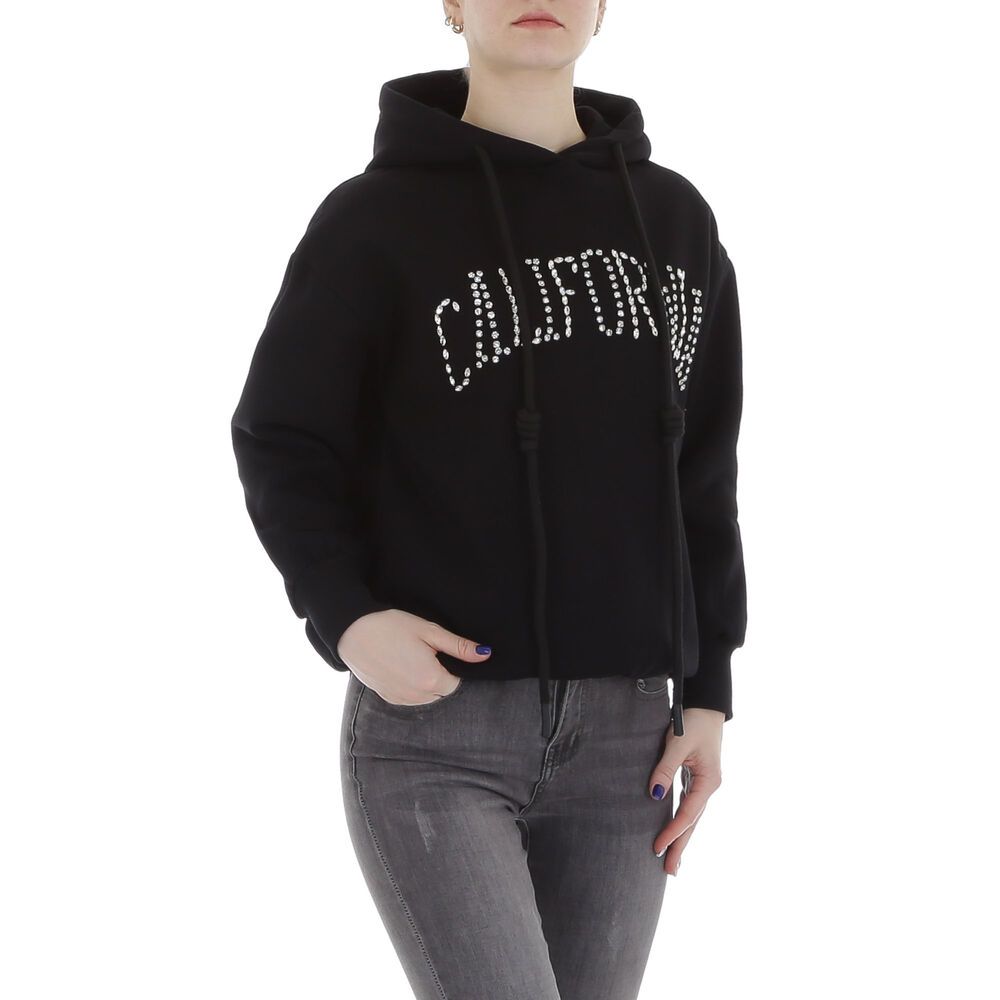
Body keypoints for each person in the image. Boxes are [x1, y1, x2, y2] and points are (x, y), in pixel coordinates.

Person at [230, 2, 748, 997]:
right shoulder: (372, 220)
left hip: (630, 741)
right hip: (437, 733)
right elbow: (282, 437)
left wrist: (709, 687)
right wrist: (347, 615)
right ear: (451, 5)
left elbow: (701, 472)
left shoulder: (676, 219)